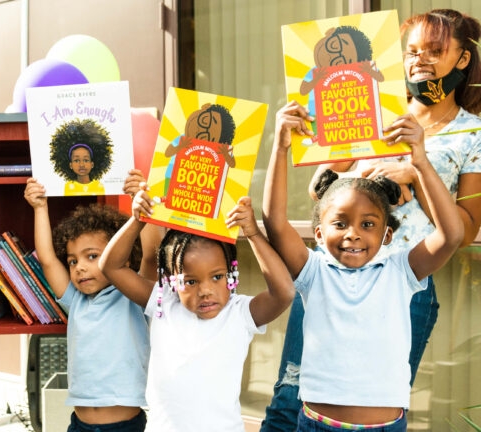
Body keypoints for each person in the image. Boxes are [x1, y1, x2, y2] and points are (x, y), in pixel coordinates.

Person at [261, 9, 481, 430]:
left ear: (463, 59)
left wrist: (415, 176)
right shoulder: (371, 109)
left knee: (376, 407)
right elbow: (319, 189)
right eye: (413, 51)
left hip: (405, 281)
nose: (421, 60)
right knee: (289, 399)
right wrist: (358, 178)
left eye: (435, 50)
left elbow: (464, 230)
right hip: (331, 275)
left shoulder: (472, 133)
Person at [99, 186, 294, 431]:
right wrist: (137, 220)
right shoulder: (164, 302)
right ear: (171, 280)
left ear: (231, 273)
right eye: (190, 281)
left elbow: (284, 292)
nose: (205, 290)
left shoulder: (240, 313)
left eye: (217, 277)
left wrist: (253, 233)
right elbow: (111, 266)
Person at [24, 177, 150, 432]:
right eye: (72, 261)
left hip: (124, 427)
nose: (80, 266)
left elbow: (150, 257)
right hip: (79, 425)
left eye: (92, 256)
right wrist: (39, 208)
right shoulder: (77, 301)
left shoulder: (134, 297)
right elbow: (48, 259)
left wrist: (142, 207)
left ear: (121, 256)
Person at [49, 118, 112, 196]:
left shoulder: (99, 186)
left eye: (86, 160)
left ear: (92, 164)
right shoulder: (68, 186)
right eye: (76, 160)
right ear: (70, 165)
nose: (81, 165)